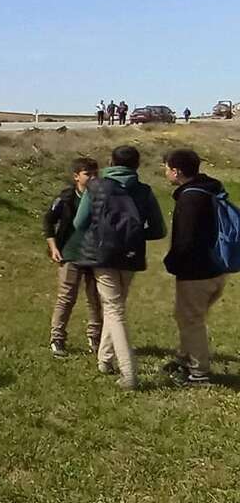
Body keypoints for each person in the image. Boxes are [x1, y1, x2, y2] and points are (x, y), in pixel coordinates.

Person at [71, 145, 167, 390]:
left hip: (102, 254)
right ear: (137, 165)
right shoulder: (144, 191)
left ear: (111, 162)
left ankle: (129, 373)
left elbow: (79, 223)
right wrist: (133, 235)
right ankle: (104, 359)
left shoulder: (96, 187)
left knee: (113, 310)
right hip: (131, 255)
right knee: (116, 306)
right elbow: (158, 230)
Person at [161, 149, 229, 385]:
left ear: (176, 171)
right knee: (188, 317)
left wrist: (172, 263)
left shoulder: (190, 198)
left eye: (167, 167)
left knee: (191, 320)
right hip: (217, 268)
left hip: (197, 272)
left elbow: (186, 241)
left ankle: (199, 372)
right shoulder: (210, 189)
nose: (165, 171)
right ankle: (184, 357)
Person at [44, 157, 102, 358]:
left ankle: (96, 337)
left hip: (96, 255)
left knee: (96, 298)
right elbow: (48, 221)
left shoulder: (102, 196)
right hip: (70, 253)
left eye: (96, 173)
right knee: (66, 297)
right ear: (76, 176)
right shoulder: (67, 197)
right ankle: (57, 338)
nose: (93, 177)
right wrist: (53, 247)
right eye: (88, 174)